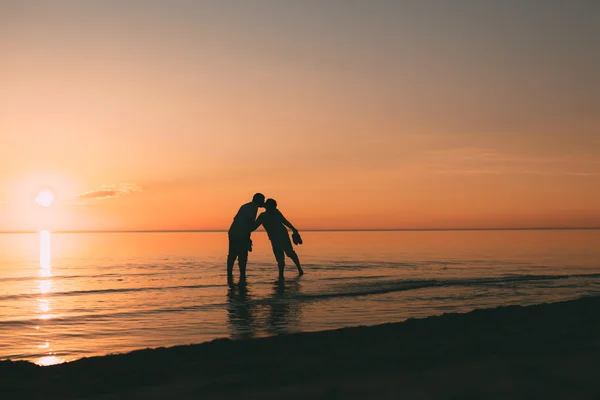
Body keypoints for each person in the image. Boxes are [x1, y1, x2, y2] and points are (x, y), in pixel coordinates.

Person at [252, 198, 304, 278]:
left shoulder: (270, 214)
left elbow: (284, 221)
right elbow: (254, 227)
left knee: (287, 254)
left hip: (281, 236)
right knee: (284, 255)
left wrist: (293, 228)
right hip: (275, 238)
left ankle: (297, 270)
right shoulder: (264, 215)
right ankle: (283, 274)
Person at [227, 193, 265, 281]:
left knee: (233, 254)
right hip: (240, 233)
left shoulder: (246, 206)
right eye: (263, 200)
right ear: (258, 200)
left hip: (233, 232)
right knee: (242, 255)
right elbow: (248, 223)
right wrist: (247, 237)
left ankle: (230, 275)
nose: (263, 202)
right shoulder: (253, 208)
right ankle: (242, 275)